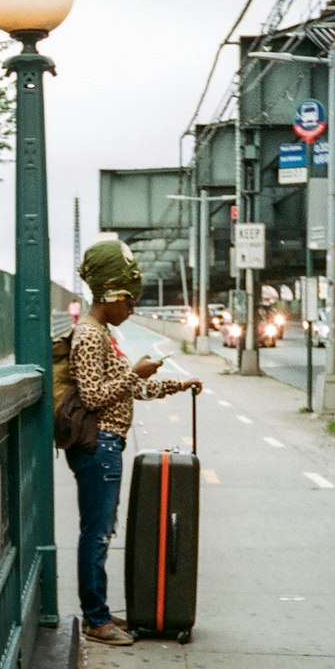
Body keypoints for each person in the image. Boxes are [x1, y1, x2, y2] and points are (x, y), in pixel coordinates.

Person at [68, 240, 202, 646]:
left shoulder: (103, 333)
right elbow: (93, 396)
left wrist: (178, 384)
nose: (131, 309)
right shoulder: (90, 335)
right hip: (99, 446)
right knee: (97, 533)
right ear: (108, 296)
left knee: (102, 530)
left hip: (110, 445)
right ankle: (96, 620)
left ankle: (102, 614)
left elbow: (129, 391)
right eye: (127, 301)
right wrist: (136, 373)